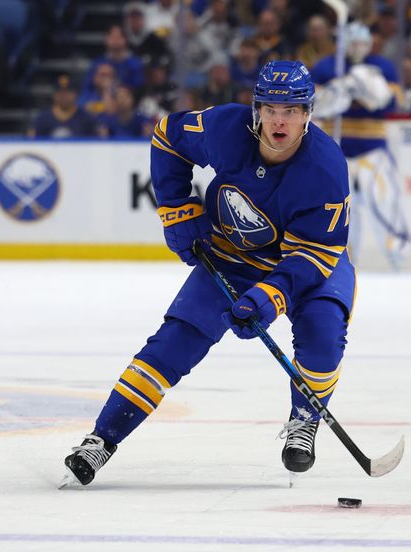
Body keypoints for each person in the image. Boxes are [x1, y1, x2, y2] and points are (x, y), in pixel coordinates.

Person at [60, 60, 355, 487]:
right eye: (271, 108)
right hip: (231, 254)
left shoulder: (326, 169)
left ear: (308, 114)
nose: (279, 119)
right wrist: (177, 209)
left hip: (310, 263)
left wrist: (269, 298)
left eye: (290, 110)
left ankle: (304, 419)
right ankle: (101, 440)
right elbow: (167, 137)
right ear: (256, 109)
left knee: (324, 334)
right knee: (172, 346)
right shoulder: (225, 128)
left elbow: (313, 256)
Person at [311, 22, 411, 270]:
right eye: (353, 43)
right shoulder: (327, 66)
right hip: (337, 151)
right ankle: (341, 259)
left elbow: (391, 104)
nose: (358, 48)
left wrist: (371, 89)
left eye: (362, 43)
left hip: (373, 148)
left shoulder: (382, 66)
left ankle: (398, 255)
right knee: (343, 209)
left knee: (385, 201)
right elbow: (315, 105)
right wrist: (340, 90)